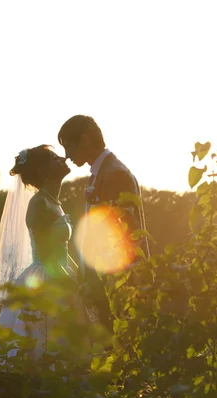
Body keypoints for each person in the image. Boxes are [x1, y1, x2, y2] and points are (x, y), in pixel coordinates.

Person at [58, 115, 149, 333]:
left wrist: (104, 282)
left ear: (85, 140)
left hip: (121, 285)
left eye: (69, 148)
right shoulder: (100, 173)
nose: (67, 157)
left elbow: (125, 236)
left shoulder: (115, 174)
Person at [0, 144, 78, 360]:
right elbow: (47, 256)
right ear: (43, 171)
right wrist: (72, 286)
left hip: (60, 272)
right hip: (46, 279)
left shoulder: (54, 202)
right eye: (55, 159)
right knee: (43, 342)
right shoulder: (39, 204)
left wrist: (79, 274)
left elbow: (61, 249)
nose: (63, 159)